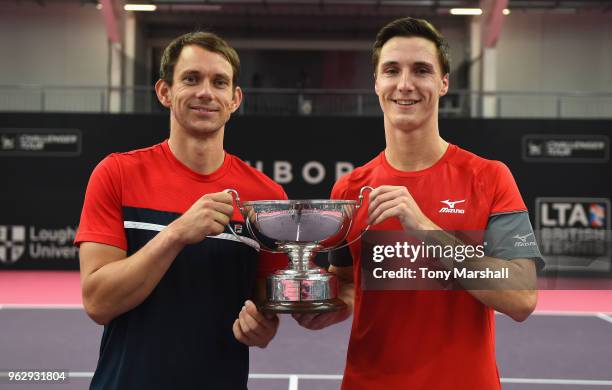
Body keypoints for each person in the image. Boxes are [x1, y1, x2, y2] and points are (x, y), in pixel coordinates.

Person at [293, 17, 544, 389]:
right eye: (392, 70)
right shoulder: (350, 189)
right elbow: (346, 283)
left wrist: (426, 229)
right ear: (376, 83)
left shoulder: (489, 178)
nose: (405, 84)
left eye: (421, 70)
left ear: (444, 83)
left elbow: (521, 296)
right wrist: (325, 309)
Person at [75, 31, 286, 389]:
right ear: (164, 92)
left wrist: (263, 327)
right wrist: (174, 234)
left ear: (235, 99)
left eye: (219, 82)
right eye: (191, 79)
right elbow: (98, 302)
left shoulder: (266, 197)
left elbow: (266, 308)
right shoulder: (116, 174)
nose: (206, 92)